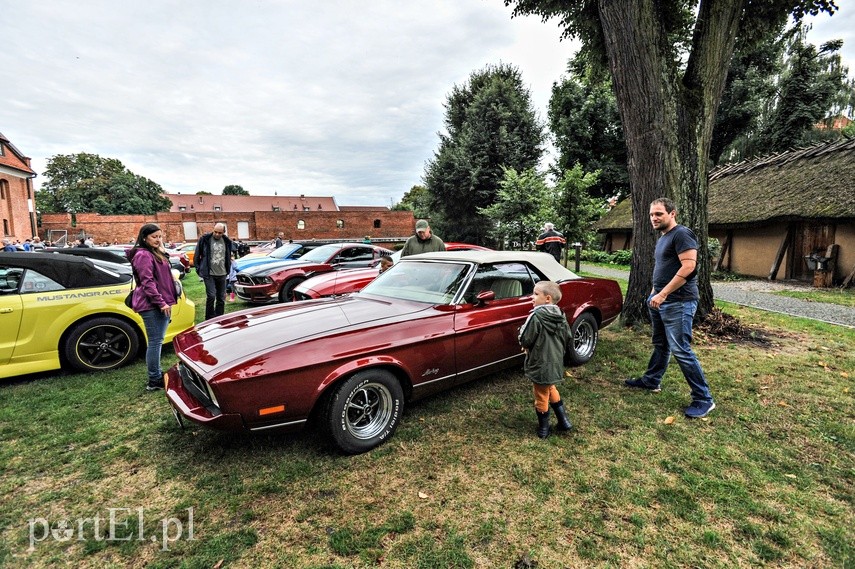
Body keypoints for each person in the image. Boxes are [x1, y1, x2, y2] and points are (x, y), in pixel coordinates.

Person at [624, 197, 715, 418]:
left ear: (672, 214)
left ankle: (704, 399)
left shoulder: (682, 234)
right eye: (651, 214)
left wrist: (664, 293)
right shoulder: (664, 237)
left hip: (679, 302)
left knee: (681, 350)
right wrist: (654, 291)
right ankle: (651, 381)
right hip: (659, 300)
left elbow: (689, 267)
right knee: (661, 344)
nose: (654, 218)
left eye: (659, 214)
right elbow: (664, 267)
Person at [518, 280, 573, 438]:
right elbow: (567, 336)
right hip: (555, 360)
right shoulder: (560, 315)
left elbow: (526, 339)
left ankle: (544, 428)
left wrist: (521, 337)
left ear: (547, 298)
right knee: (550, 387)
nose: (532, 297)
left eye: (536, 294)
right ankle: (564, 421)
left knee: (541, 393)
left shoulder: (536, 316)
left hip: (540, 362)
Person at [127, 223, 178, 392]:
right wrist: (160, 302)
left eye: (160, 236)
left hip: (159, 302)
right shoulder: (143, 255)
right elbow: (147, 282)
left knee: (157, 341)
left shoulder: (153, 252)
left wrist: (161, 248)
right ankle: (154, 379)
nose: (158, 240)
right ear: (144, 238)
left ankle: (156, 374)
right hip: (151, 304)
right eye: (154, 237)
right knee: (155, 342)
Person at [195, 222, 233, 320]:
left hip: (222, 273)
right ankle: (209, 318)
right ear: (213, 230)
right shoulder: (205, 239)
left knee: (221, 297)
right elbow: (197, 255)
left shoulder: (227, 241)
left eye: (220, 233)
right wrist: (199, 269)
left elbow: (228, 256)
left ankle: (219, 317)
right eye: (215, 232)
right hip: (209, 274)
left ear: (223, 232)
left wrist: (228, 268)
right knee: (211, 296)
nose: (217, 234)